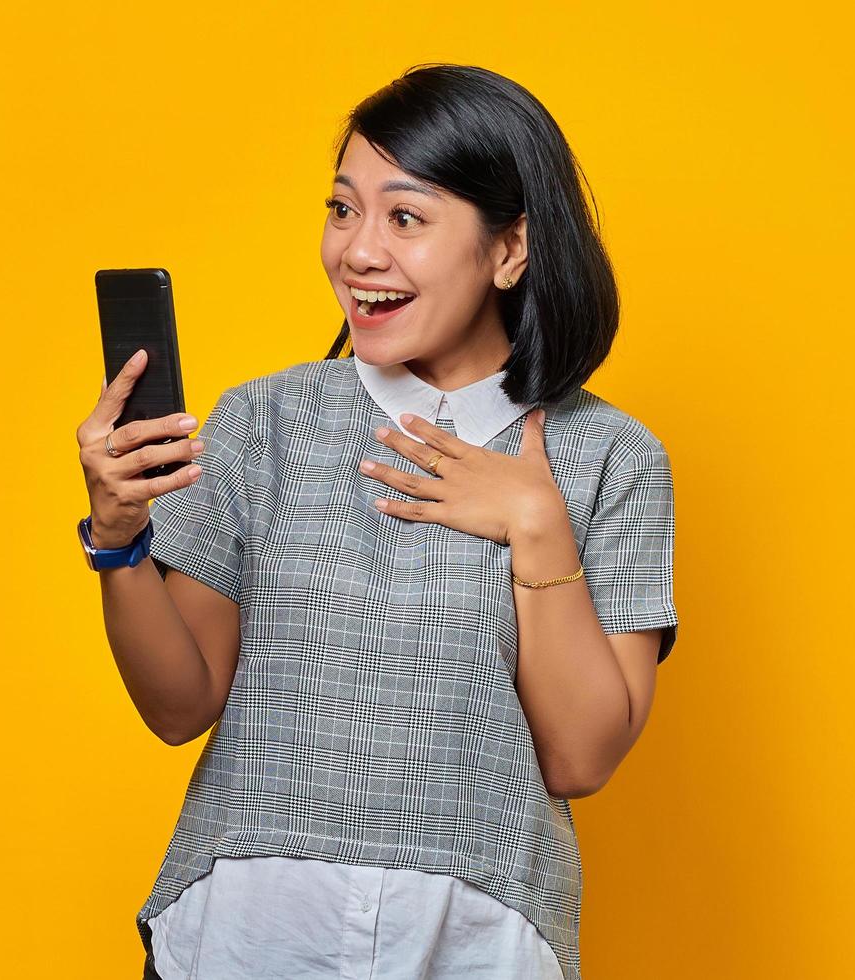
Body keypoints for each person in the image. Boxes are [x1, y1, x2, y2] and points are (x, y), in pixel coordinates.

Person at [75, 64, 679, 980]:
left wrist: (535, 525)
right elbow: (179, 705)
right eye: (343, 209)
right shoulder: (263, 422)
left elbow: (581, 756)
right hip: (242, 939)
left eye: (405, 217)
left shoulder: (612, 457)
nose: (357, 252)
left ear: (509, 249)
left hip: (472, 951)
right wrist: (119, 539)